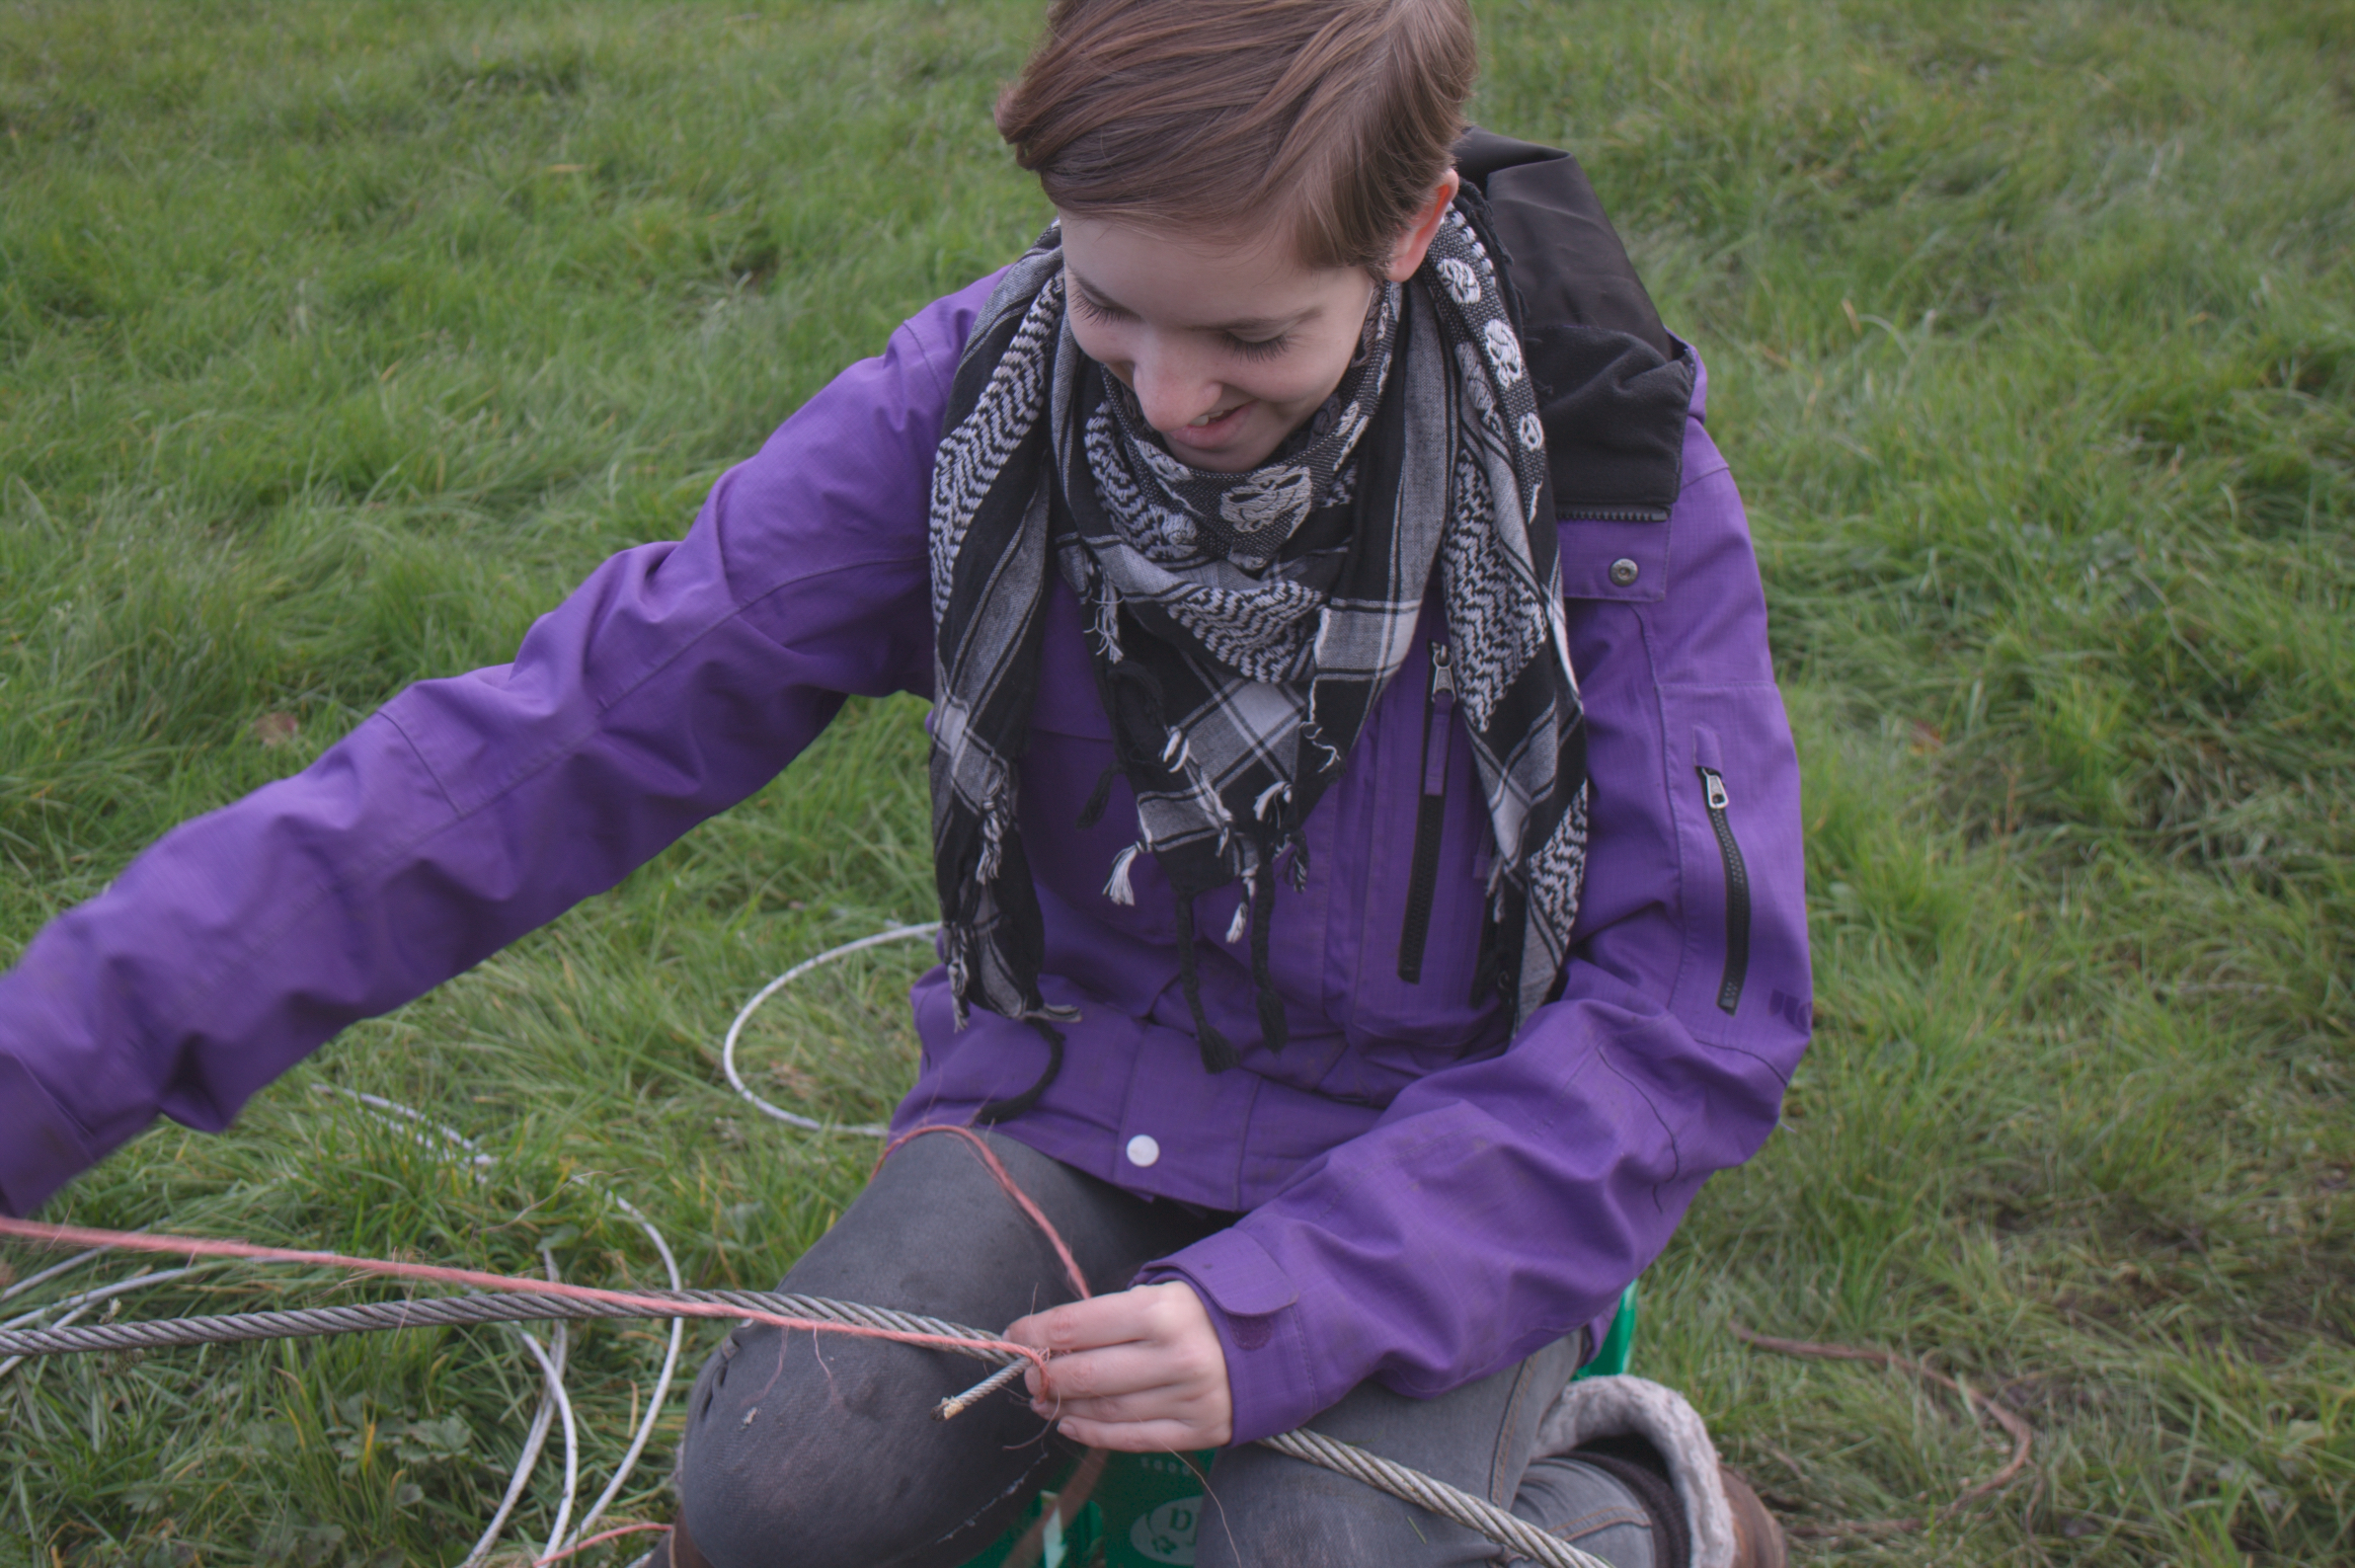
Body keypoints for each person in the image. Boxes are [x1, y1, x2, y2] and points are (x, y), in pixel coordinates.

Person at [0, 1, 1809, 1563]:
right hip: (1084, 1098)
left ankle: (1634, 1507)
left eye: (1251, 340)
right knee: (786, 1487)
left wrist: (1290, 1303)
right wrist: (37, 1079)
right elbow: (533, 752)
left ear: (1409, 230)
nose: (1166, 396)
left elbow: (1684, 1017)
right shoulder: (972, 417)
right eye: (1110, 306)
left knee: (1310, 1545)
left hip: (1450, 1156)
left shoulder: (1605, 487)